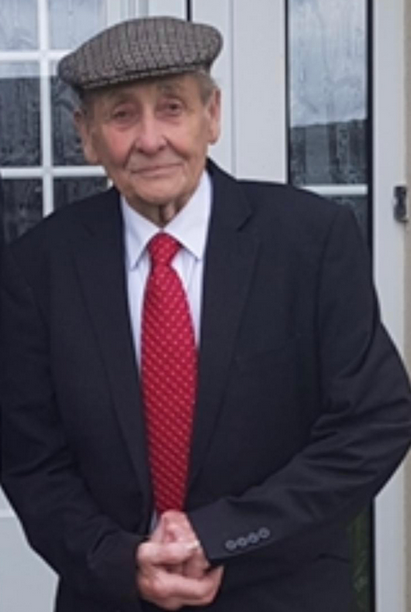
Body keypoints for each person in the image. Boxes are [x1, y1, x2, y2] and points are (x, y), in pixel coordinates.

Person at [1, 15, 411, 612]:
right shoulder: (38, 267)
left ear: (211, 115)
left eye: (172, 108)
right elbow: (30, 458)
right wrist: (121, 561)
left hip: (283, 592)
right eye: (122, 115)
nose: (150, 140)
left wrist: (222, 533)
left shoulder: (311, 240)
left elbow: (373, 422)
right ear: (86, 135)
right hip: (112, 595)